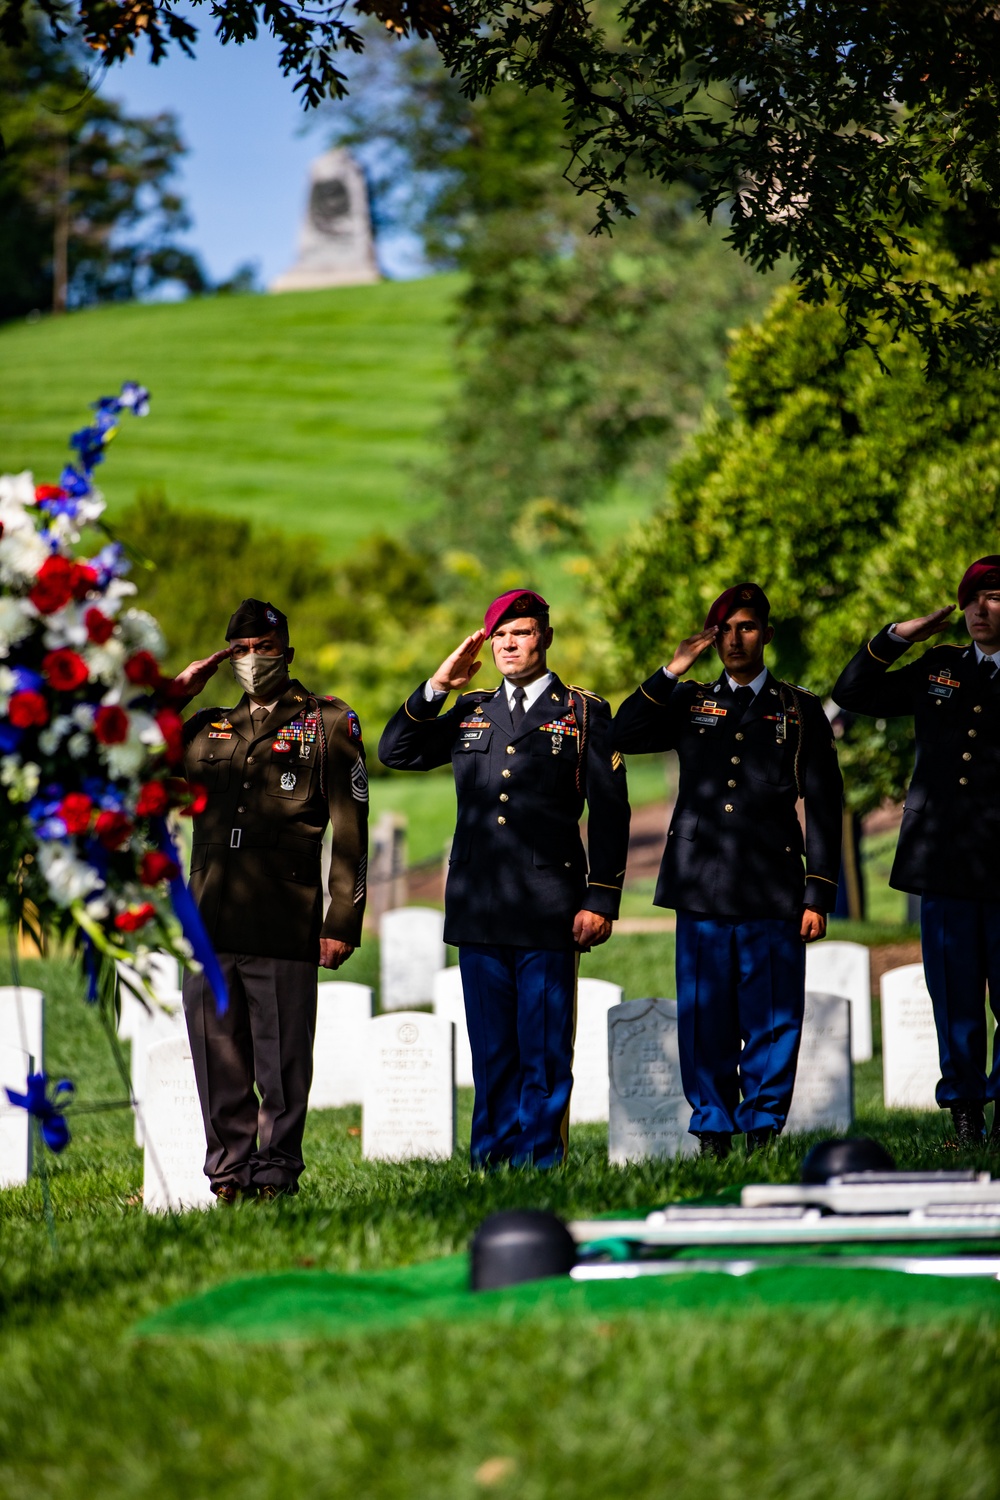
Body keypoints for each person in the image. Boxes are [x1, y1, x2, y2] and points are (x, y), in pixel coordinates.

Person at [377, 589, 630, 1169]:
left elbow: (612, 812)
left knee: (542, 1049)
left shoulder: (585, 713)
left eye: (521, 632)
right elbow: (397, 750)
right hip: (480, 903)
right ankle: (490, 1161)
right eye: (500, 636)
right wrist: (438, 687)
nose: (510, 644)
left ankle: (542, 1160)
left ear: (544, 635)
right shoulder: (471, 710)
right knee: (492, 1051)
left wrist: (602, 898)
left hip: (548, 906)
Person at [610, 583, 843, 1158]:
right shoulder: (688, 700)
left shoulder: (798, 707)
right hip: (702, 883)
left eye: (746, 627)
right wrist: (672, 669)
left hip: (771, 883)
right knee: (705, 1015)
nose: (735, 640)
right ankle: (714, 1128)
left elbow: (824, 800)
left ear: (766, 634)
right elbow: (624, 732)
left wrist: (819, 890)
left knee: (771, 1016)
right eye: (724, 630)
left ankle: (762, 1128)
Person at [172, 598, 369, 1201]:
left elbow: (351, 831)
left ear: (287, 651)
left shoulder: (328, 723)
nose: (254, 660)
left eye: (265, 648)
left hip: (284, 921)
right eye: (242, 649)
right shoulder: (205, 727)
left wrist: (342, 919)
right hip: (209, 919)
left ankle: (276, 1174)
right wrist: (172, 695)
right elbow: (122, 756)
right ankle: (229, 1176)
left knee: (282, 1062)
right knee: (218, 1058)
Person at [832, 556, 1000, 1146]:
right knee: (953, 997)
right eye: (972, 598)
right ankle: (965, 1115)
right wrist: (899, 637)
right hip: (945, 862)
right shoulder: (939, 667)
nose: (981, 609)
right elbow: (851, 692)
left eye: (995, 597)